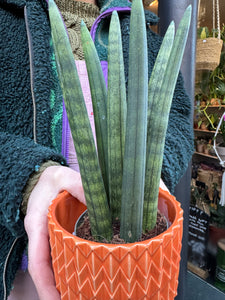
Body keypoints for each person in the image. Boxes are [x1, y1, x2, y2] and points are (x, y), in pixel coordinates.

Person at [0, 0, 194, 299]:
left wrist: (154, 163)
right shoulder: (7, 19)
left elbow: (177, 117)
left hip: (132, 271)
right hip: (21, 274)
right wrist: (26, 178)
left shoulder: (141, 31)